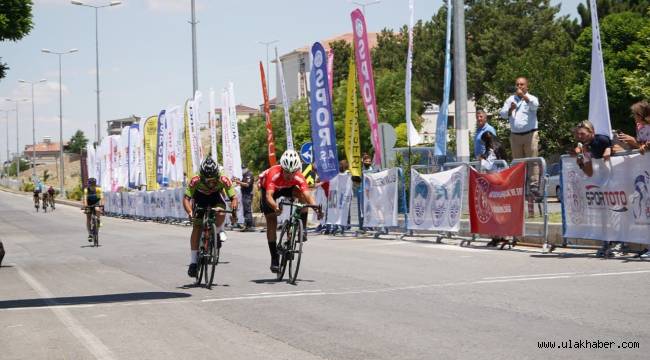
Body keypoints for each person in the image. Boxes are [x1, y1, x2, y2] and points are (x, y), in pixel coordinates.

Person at [259, 149, 322, 273]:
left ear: (297, 170)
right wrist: (276, 207)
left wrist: (316, 208)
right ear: (282, 168)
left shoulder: (298, 176)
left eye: (293, 172)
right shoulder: (274, 173)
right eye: (287, 172)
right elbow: (269, 197)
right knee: (272, 221)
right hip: (270, 190)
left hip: (287, 188)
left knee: (303, 197)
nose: (289, 175)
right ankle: (274, 258)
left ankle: (301, 229)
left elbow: (308, 195)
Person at [183, 155, 238, 278]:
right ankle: (193, 262)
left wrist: (234, 212)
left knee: (221, 211)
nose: (211, 182)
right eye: (208, 180)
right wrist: (190, 212)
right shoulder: (195, 179)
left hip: (215, 196)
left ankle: (217, 232)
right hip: (200, 197)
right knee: (197, 227)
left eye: (214, 180)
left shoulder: (223, 178)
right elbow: (186, 199)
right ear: (202, 177)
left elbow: (233, 198)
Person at [499, 77, 540, 193]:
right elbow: (502, 114)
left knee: (533, 160)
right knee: (517, 162)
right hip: (515, 135)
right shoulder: (510, 99)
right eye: (517, 84)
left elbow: (535, 106)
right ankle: (519, 184)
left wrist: (523, 96)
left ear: (527, 86)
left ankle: (534, 185)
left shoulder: (532, 98)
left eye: (522, 84)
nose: (519, 87)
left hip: (530, 134)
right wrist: (510, 109)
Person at [233, 163, 255, 231]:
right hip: (245, 194)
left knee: (247, 210)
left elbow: (247, 184)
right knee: (246, 210)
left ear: (247, 168)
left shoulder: (249, 174)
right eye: (242, 168)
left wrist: (238, 182)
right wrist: (238, 181)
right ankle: (248, 225)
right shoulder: (245, 175)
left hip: (247, 194)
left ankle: (249, 225)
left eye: (244, 168)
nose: (243, 169)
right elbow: (243, 183)